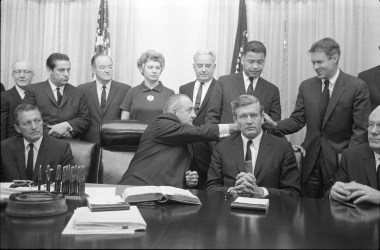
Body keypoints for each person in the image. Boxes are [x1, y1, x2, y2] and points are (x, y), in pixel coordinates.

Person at [264, 37, 371, 198]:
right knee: (308, 212)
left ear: (334, 58)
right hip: (310, 162)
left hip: (340, 162)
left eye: (319, 62)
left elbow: (361, 130)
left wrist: (348, 159)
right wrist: (275, 125)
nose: (315, 67)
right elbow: (297, 120)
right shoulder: (307, 86)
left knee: (337, 213)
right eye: (313, 63)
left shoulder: (356, 86)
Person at [118, 94, 239, 189]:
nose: (194, 115)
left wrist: (189, 180)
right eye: (189, 110)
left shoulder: (185, 138)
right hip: (137, 186)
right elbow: (198, 131)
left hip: (163, 196)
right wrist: (233, 127)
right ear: (173, 112)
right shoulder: (160, 123)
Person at [205, 94, 300, 197]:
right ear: (235, 120)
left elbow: (293, 192)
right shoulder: (222, 147)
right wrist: (231, 191)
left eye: (254, 115)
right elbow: (211, 188)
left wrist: (262, 192)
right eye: (243, 116)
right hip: (230, 209)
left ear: (262, 118)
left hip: (270, 210)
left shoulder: (283, 147)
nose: (249, 121)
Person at [206, 40, 281, 125]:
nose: (255, 66)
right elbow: (212, 117)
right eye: (251, 62)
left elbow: (274, 125)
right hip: (228, 137)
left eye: (260, 62)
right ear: (242, 60)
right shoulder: (224, 82)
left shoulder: (272, 90)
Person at [0, 104, 74, 182]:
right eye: (27, 123)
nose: (34, 127)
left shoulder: (61, 148)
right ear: (17, 128)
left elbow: (69, 183)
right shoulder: (4, 148)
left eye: (37, 121)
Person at [23, 53, 90, 139]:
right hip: (42, 141)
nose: (66, 74)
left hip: (70, 144)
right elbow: (27, 118)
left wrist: (67, 126)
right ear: (49, 70)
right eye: (61, 70)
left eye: (68, 70)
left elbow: (84, 120)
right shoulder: (33, 90)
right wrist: (53, 132)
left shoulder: (78, 92)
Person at [179, 49, 217, 189]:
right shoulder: (184, 88)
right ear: (194, 66)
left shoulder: (221, 88)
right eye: (200, 65)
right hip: (186, 148)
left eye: (208, 65)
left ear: (214, 66)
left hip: (209, 150)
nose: (204, 70)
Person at [328, 106, 380, 205]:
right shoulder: (351, 156)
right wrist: (332, 193)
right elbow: (334, 191)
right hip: (359, 219)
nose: (373, 131)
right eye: (371, 124)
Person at [78, 54, 131, 142]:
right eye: (102, 67)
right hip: (89, 142)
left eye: (110, 67)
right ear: (93, 70)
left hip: (115, 141)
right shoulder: (82, 89)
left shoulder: (125, 89)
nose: (107, 70)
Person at [120, 50, 175, 122]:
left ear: (161, 70)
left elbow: (173, 122)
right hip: (136, 133)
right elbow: (123, 123)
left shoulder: (170, 93)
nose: (154, 71)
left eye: (157, 68)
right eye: (150, 67)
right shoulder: (132, 92)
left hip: (160, 133)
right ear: (142, 69)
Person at [1, 60, 34, 140]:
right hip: (12, 144)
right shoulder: (4, 96)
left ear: (32, 75)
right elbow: (2, 127)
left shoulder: (39, 94)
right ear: (12, 75)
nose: (22, 75)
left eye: (26, 71)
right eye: (17, 72)